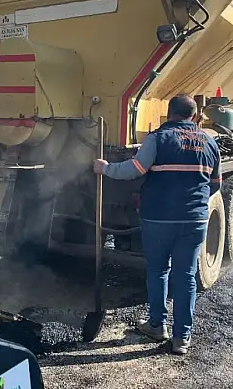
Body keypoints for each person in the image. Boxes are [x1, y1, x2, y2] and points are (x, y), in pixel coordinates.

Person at [93, 94, 221, 355]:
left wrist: (105, 168)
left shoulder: (158, 138)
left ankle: (156, 325)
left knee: (159, 270)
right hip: (194, 220)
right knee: (186, 276)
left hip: (158, 218)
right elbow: (215, 184)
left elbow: (135, 169)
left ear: (169, 113)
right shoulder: (210, 142)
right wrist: (192, 205)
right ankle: (181, 339)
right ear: (194, 116)